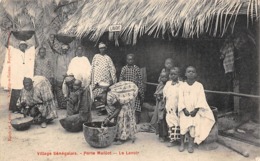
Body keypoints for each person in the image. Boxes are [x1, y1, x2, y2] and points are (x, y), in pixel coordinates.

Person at [178, 66, 215, 153]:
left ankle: (191, 144)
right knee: (183, 127)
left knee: (193, 128)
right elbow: (180, 98)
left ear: (196, 74)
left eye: (193, 72)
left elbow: (201, 99)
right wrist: (184, 109)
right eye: (189, 71)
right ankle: (182, 144)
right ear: (185, 74)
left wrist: (196, 110)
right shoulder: (182, 86)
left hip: (195, 111)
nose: (191, 73)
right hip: (185, 111)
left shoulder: (199, 86)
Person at [1, 31, 38, 113]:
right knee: (16, 90)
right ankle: (14, 108)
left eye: (24, 45)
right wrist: (9, 34)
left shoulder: (29, 52)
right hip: (17, 75)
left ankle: (23, 108)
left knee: (25, 90)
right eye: (21, 45)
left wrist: (35, 35)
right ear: (19, 46)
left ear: (26, 46)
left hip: (25, 75)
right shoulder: (15, 52)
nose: (23, 46)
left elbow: (37, 45)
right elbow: (6, 45)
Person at [119, 54, 144, 124]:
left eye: (132, 59)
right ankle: (127, 120)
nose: (130, 61)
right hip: (126, 90)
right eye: (128, 59)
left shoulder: (136, 69)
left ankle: (135, 120)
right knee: (126, 106)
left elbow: (139, 80)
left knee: (136, 106)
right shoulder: (124, 68)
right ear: (126, 60)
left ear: (134, 60)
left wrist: (140, 91)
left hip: (134, 90)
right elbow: (121, 79)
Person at [163, 67, 183, 147]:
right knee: (170, 123)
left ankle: (177, 140)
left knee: (177, 123)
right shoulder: (168, 83)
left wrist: (180, 107)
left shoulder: (181, 84)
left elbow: (182, 96)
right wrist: (165, 105)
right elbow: (164, 95)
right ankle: (172, 139)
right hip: (169, 106)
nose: (173, 76)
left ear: (178, 75)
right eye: (171, 74)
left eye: (175, 74)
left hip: (177, 107)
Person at [150, 71, 169, 142]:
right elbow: (156, 93)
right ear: (160, 78)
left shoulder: (169, 85)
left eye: (165, 77)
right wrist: (158, 96)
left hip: (167, 104)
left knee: (166, 120)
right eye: (162, 77)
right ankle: (161, 135)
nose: (164, 78)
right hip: (160, 105)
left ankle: (166, 135)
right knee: (160, 119)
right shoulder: (159, 85)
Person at [53, 44, 73, 109]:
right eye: (63, 49)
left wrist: (68, 74)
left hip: (67, 76)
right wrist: (55, 75)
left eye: (66, 49)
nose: (64, 51)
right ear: (61, 49)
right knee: (59, 91)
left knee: (67, 90)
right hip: (59, 76)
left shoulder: (70, 57)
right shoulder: (58, 57)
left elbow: (71, 66)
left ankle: (67, 104)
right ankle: (61, 105)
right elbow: (55, 66)